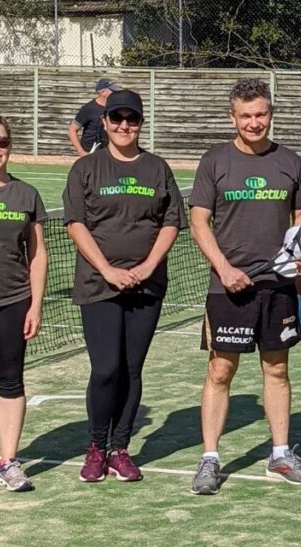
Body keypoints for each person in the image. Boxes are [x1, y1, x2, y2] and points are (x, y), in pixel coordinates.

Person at [188, 79, 301, 495]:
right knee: (220, 370)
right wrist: (224, 269)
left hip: (278, 287)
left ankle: (279, 454)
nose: (254, 122)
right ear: (233, 118)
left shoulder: (290, 162)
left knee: (277, 368)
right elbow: (198, 222)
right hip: (228, 288)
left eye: (260, 114)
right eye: (246, 116)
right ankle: (210, 459)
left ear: (271, 114)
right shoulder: (215, 161)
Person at [63, 89, 185, 483]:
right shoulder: (86, 168)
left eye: (131, 120)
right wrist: (107, 269)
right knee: (106, 369)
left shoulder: (157, 168)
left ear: (140, 124)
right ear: (105, 122)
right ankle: (96, 447)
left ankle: (120, 448)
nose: (123, 126)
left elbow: (170, 222)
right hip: (99, 285)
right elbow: (76, 224)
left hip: (146, 287)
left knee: (132, 369)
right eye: (117, 119)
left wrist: (149, 266)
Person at [0, 114, 47, 491]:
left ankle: (8, 461)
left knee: (11, 381)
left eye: (1, 142)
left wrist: (36, 305)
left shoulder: (25, 194)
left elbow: (38, 254)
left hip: (13, 300)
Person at [68, 78, 120, 156]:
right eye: (113, 91)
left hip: (109, 153)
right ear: (103, 92)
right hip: (91, 153)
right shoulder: (89, 108)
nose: (116, 94)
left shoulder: (116, 108)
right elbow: (72, 130)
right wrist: (81, 152)